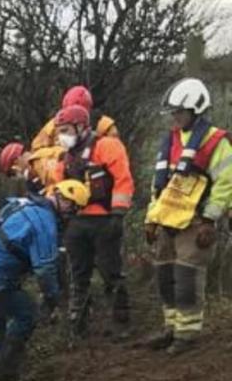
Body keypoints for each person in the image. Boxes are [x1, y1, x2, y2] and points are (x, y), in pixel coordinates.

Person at [0, 180, 89, 381]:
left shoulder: (23, 205)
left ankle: (6, 378)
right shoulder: (44, 222)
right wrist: (53, 299)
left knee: (25, 315)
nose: (73, 216)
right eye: (73, 210)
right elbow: (44, 269)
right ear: (64, 202)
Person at [144, 77, 232, 353]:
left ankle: (187, 334)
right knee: (165, 277)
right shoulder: (170, 140)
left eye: (179, 112)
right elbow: (160, 186)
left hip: (195, 222)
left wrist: (209, 219)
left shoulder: (216, 142)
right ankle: (171, 327)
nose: (175, 117)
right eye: (173, 112)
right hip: (167, 221)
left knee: (186, 278)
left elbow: (225, 184)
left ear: (196, 109)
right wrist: (150, 218)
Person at [51, 101, 134, 338]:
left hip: (105, 219)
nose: (61, 136)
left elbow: (123, 179)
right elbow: (56, 190)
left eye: (65, 130)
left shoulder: (106, 146)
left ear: (81, 127)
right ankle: (78, 323)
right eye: (59, 131)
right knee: (78, 273)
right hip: (76, 222)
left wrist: (118, 212)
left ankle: (121, 323)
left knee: (111, 272)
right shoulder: (64, 159)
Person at [23, 85, 120, 195]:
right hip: (60, 175)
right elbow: (36, 151)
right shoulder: (54, 125)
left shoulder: (104, 125)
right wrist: (58, 154)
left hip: (91, 178)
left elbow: (114, 158)